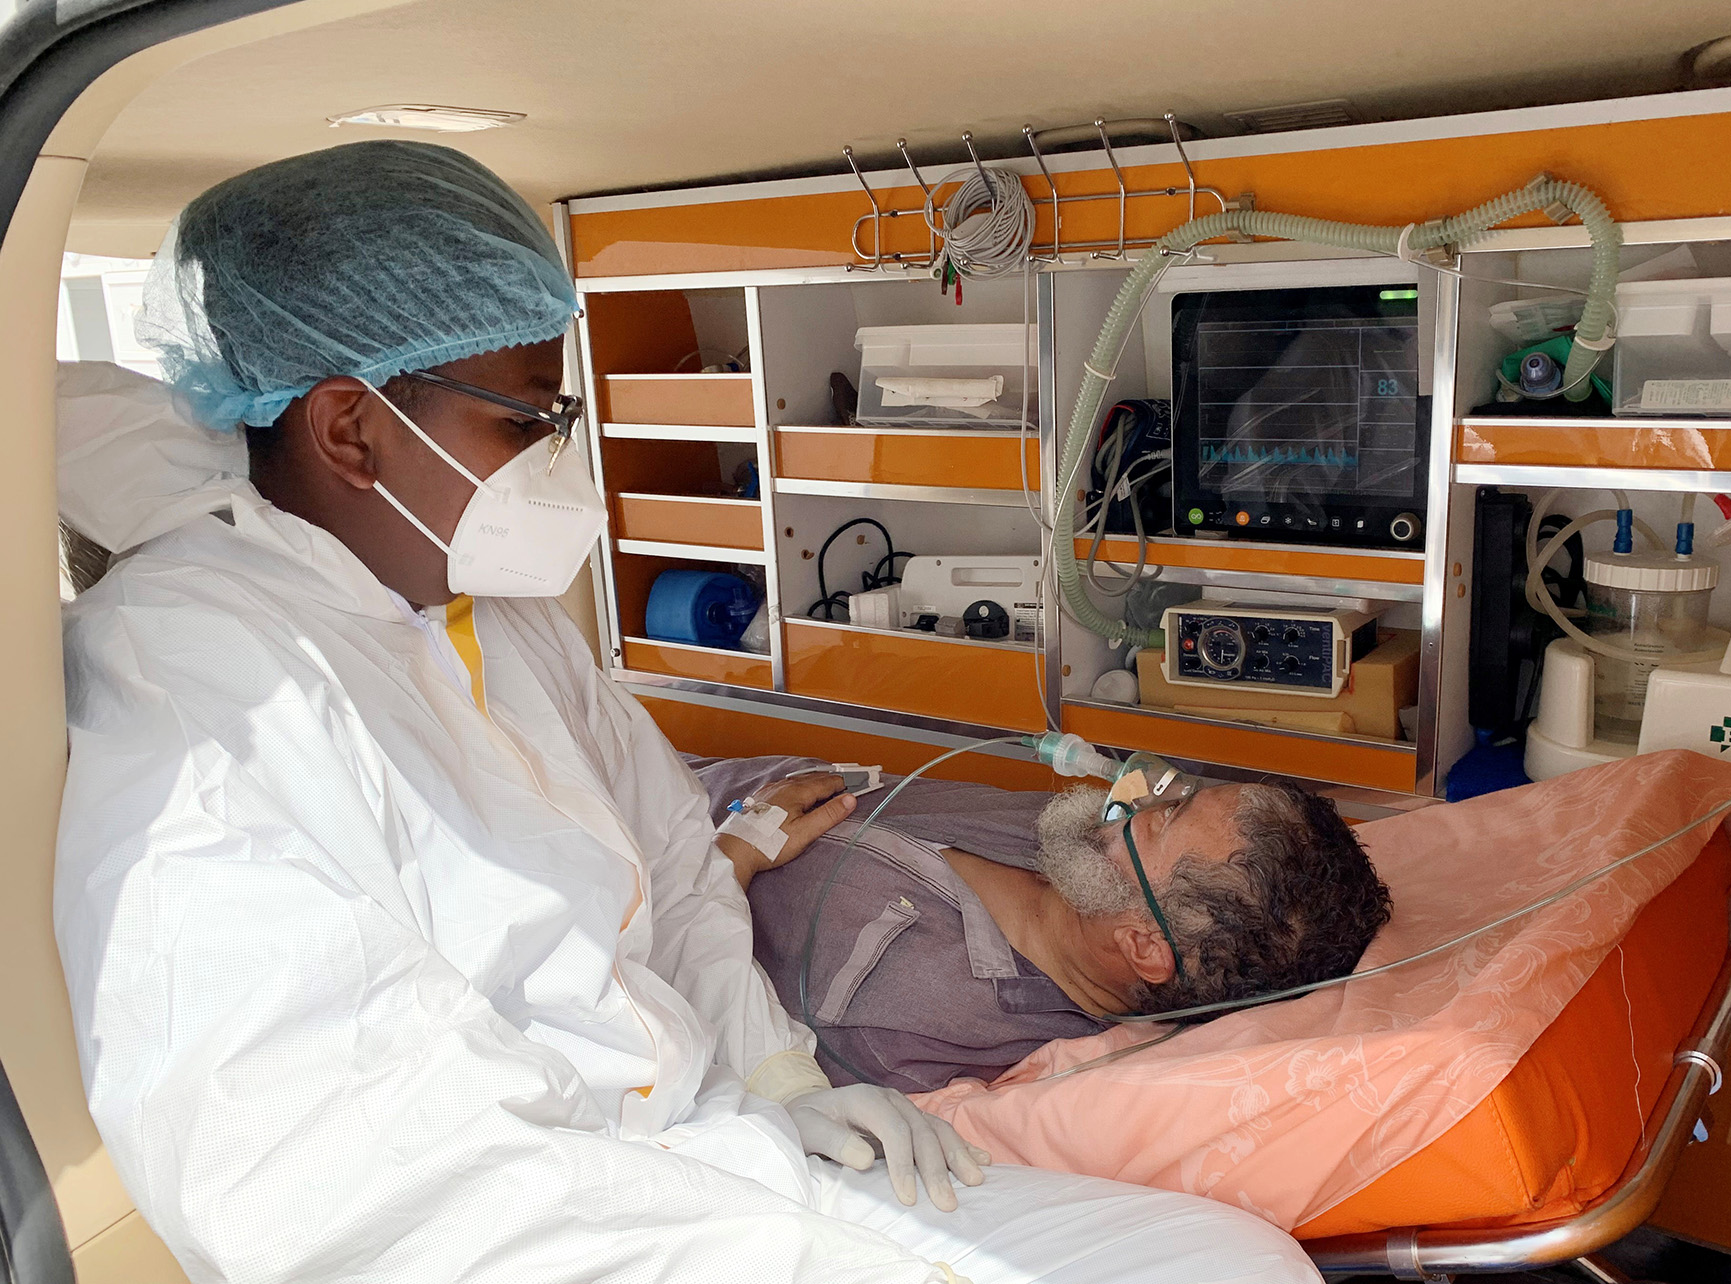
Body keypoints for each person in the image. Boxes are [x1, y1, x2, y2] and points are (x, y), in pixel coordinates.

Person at [52, 140, 1320, 1284]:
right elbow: (343, 1189)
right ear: (351, 429)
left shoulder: (495, 618)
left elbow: (671, 855)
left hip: (711, 1134)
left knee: (1232, 1260)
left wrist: (775, 1074)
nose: (561, 457)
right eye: (526, 418)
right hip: (567, 1227)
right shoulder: (206, 679)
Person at [695, 759, 1390, 1092]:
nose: (1133, 797)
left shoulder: (915, 1029)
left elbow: (679, 1015)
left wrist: (729, 863)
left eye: (1157, 820)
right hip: (656, 774)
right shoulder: (1070, 845)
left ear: (1144, 945)